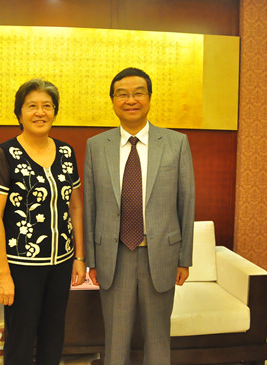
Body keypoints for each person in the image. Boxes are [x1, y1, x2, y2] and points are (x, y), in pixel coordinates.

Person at [83, 67, 195, 365]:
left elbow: (187, 203)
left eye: (138, 93)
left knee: (158, 337)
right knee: (115, 338)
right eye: (122, 94)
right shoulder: (96, 146)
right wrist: (92, 259)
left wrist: (184, 257)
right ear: (113, 100)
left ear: (149, 98)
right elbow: (90, 205)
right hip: (114, 255)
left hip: (160, 256)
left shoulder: (176, 143)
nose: (130, 100)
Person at [0, 78, 86, 365]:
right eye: (32, 106)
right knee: (20, 337)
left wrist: (80, 256)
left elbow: (76, 206)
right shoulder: (5, 155)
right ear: (19, 113)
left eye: (47, 106)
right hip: (21, 266)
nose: (40, 112)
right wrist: (2, 274)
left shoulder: (66, 153)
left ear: (54, 112)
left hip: (62, 261)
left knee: (54, 334)